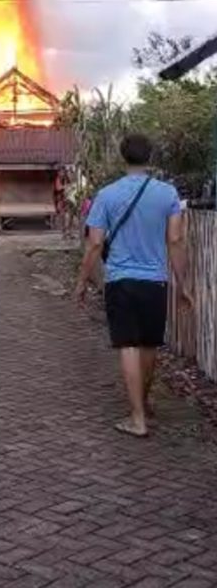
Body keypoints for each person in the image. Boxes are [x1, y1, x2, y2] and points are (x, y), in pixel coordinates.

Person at [75, 134, 192, 438]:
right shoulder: (167, 194)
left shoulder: (106, 195)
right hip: (155, 280)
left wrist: (82, 281)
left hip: (120, 280)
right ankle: (144, 404)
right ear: (150, 156)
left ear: (122, 156)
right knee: (150, 343)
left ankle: (137, 417)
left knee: (127, 344)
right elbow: (176, 240)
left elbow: (95, 244)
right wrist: (182, 285)